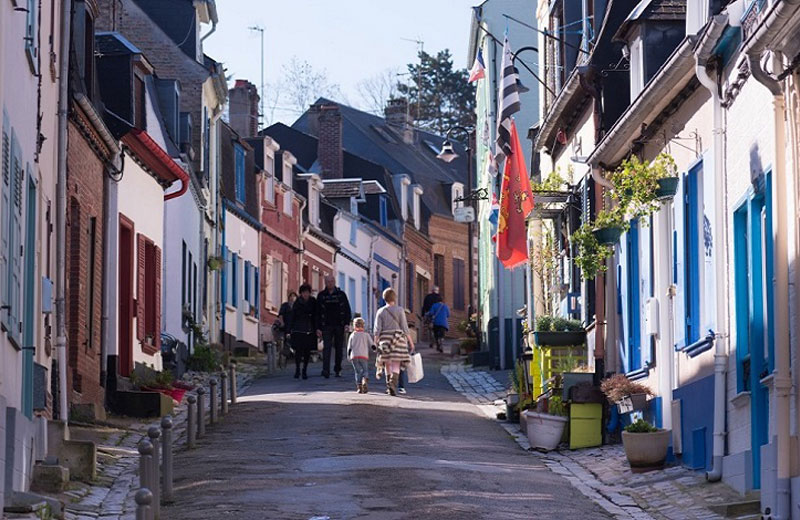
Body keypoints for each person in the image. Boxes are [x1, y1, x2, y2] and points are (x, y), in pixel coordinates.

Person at [374, 288, 414, 396]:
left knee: (387, 364)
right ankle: (393, 384)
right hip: (398, 340)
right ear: (394, 298)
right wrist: (411, 343)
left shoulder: (380, 311)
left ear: (384, 298)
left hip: (385, 340)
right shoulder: (400, 310)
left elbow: (377, 330)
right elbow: (405, 328)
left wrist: (375, 342)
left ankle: (389, 385)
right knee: (396, 363)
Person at [317, 275, 352, 378]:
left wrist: (346, 324)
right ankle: (326, 370)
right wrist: (318, 327)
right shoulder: (321, 296)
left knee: (339, 348)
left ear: (334, 282)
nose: (330, 283)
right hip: (326, 325)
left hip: (339, 325)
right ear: (325, 282)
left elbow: (347, 310)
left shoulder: (341, 295)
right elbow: (317, 313)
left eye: (332, 281)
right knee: (326, 348)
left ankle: (338, 369)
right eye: (328, 281)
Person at [288, 284, 320, 380]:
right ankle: (297, 369)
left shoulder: (313, 302)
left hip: (309, 329)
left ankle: (304, 370)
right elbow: (292, 316)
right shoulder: (297, 303)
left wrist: (317, 328)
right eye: (304, 292)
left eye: (307, 292)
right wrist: (289, 330)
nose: (305, 294)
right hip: (298, 329)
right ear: (301, 293)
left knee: (307, 351)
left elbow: (316, 315)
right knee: (298, 351)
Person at [347, 317, 374, 394]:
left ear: (354, 326)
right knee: (365, 370)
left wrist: (348, 356)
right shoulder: (366, 335)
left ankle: (359, 387)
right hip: (363, 355)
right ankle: (364, 379)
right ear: (363, 326)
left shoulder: (352, 335)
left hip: (354, 356)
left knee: (357, 371)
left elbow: (349, 347)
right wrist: (375, 349)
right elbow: (372, 344)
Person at [273, 292, 297, 367]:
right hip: (286, 327)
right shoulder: (285, 305)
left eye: (294, 296)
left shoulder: (297, 306)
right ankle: (282, 359)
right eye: (291, 296)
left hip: (294, 327)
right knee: (284, 343)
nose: (292, 298)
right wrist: (282, 323)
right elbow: (281, 315)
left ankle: (292, 357)